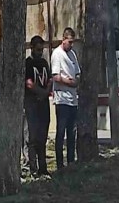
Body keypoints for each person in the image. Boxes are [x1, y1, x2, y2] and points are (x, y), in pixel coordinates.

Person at [51, 28, 81, 170]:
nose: (71, 45)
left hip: (73, 99)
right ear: (63, 39)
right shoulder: (57, 54)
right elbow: (56, 76)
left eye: (72, 42)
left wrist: (76, 81)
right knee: (61, 131)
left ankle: (70, 161)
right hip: (62, 99)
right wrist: (68, 82)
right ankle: (60, 164)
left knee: (72, 131)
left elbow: (77, 73)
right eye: (69, 42)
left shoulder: (72, 54)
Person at [25, 36, 52, 178]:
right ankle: (33, 169)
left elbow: (49, 79)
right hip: (32, 104)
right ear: (32, 48)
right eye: (38, 50)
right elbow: (29, 83)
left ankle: (43, 168)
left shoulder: (43, 62)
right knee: (33, 137)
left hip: (44, 104)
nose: (40, 52)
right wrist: (41, 92)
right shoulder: (28, 64)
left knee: (43, 137)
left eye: (42, 50)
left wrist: (47, 91)